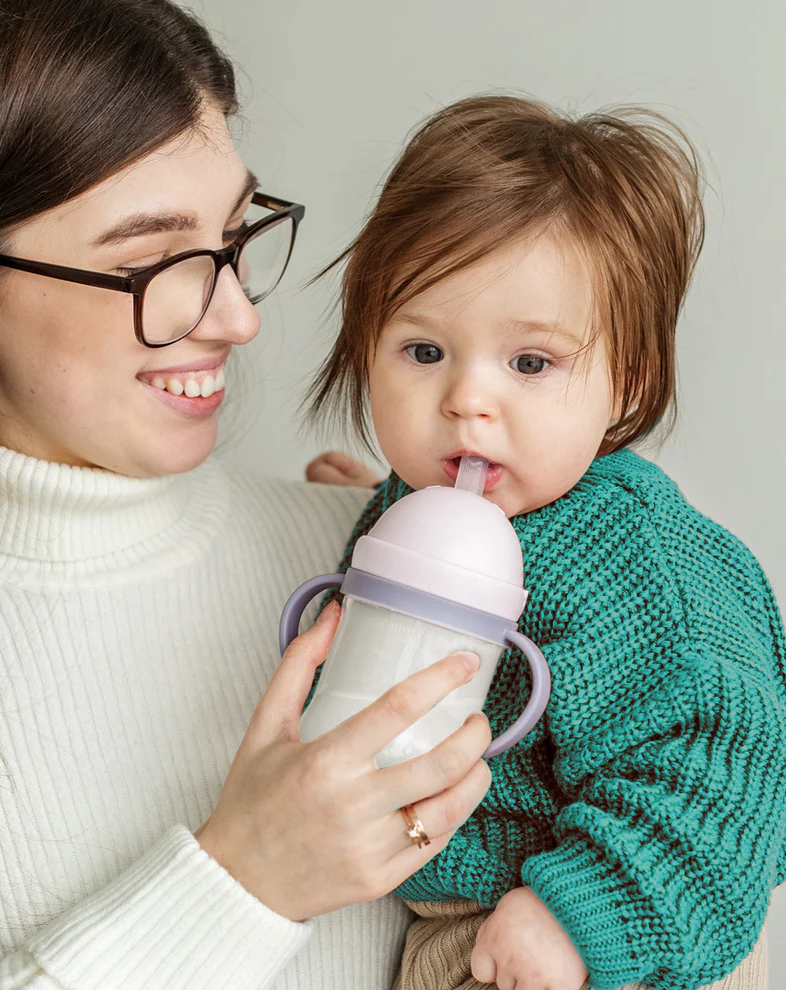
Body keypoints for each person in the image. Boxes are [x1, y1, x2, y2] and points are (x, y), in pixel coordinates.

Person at [0, 2, 496, 988]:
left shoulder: (364, 561)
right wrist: (241, 885)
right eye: (155, 262)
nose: (240, 317)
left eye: (235, 234)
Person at [306, 95, 785, 990]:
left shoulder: (643, 565)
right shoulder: (438, 498)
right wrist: (370, 507)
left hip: (613, 926)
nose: (466, 401)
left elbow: (717, 767)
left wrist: (580, 912)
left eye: (530, 363)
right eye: (422, 351)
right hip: (469, 918)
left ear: (626, 381)